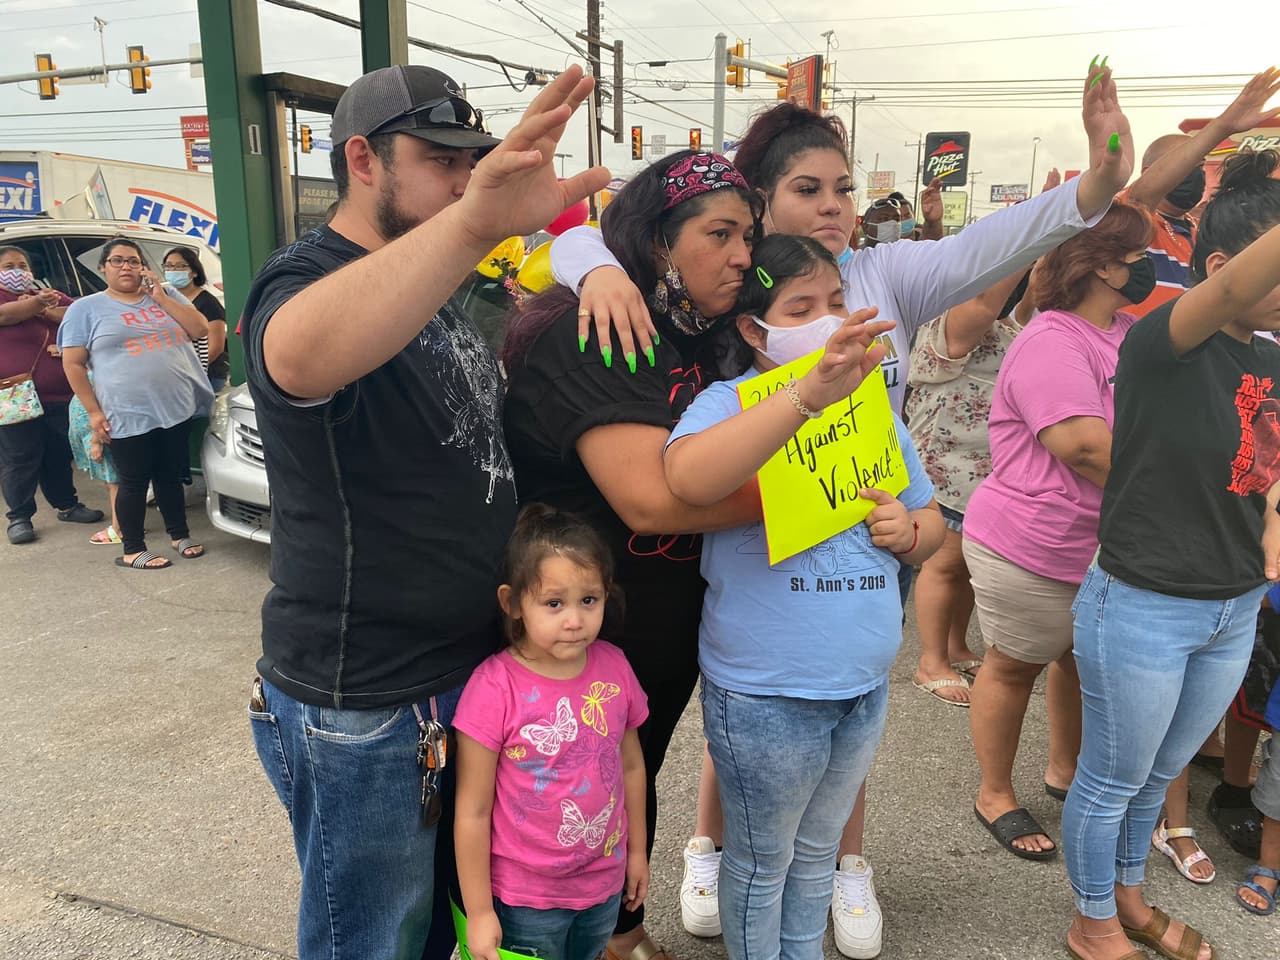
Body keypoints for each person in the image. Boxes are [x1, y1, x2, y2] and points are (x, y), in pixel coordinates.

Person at [549, 59, 1134, 958]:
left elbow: (989, 256)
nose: (831, 206)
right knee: (750, 800)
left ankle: (828, 885)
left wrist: (1094, 188)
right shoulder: (728, 321)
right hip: (742, 621)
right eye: (806, 189)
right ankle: (705, 862)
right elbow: (679, 466)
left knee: (813, 823)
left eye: (844, 189)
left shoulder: (880, 286)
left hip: (859, 629)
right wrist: (591, 263)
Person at [239, 63, 606, 960]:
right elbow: (296, 354)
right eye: (442, 159)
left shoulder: (441, 284)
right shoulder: (307, 275)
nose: (462, 179)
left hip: (464, 678)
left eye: (472, 161)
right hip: (369, 697)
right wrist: (476, 220)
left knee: (446, 930)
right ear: (363, 159)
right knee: (374, 938)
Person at [502, 149, 765, 960]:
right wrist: (813, 500)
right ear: (657, 243)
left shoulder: (706, 326)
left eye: (748, 235)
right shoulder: (593, 328)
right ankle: (574, 939)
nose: (742, 255)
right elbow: (650, 498)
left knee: (629, 773)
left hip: (670, 608)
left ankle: (618, 932)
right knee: (566, 795)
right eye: (719, 234)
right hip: (584, 618)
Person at [663, 233, 942, 959]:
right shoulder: (728, 404)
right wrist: (804, 398)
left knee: (817, 854)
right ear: (757, 329)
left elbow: (933, 520)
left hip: (861, 686)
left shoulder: (872, 408)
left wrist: (908, 531)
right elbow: (688, 479)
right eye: (804, 307)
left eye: (838, 302)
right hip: (765, 692)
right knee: (760, 865)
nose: (831, 320)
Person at [1062, 149, 1280, 960]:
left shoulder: (1271, 351)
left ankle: (1127, 898)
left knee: (1156, 778)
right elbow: (1220, 292)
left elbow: (1267, 467)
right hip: (1144, 603)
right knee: (1113, 778)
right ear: (1223, 266)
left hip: (1230, 607)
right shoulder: (1167, 339)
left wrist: (1272, 530)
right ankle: (1092, 922)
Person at [964, 202, 1155, 862]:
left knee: (1078, 660)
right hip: (1032, 543)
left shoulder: (1126, 330)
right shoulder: (1052, 339)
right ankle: (994, 793)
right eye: (1137, 254)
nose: (1147, 265)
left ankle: (1065, 770)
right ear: (1101, 264)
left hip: (1100, 544)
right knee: (1013, 665)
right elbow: (1083, 447)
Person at [454, 505, 649, 960]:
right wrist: (480, 911)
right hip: (524, 900)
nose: (575, 620)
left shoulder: (615, 668)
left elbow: (633, 766)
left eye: (589, 600)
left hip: (602, 886)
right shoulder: (493, 687)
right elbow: (473, 810)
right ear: (513, 603)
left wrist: (637, 852)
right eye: (554, 602)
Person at [904, 268, 1030, 705]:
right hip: (944, 467)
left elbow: (1033, 299)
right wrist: (1033, 236)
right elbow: (981, 302)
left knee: (968, 568)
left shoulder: (1007, 326)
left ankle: (956, 645)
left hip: (983, 470)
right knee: (945, 564)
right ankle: (931, 661)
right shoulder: (949, 325)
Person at [57, 237, 211, 569]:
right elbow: (72, 364)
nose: (126, 266)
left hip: (174, 407)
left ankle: (179, 535)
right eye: (117, 261)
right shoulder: (86, 309)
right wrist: (94, 412)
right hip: (125, 410)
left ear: (143, 267)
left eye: (133, 260)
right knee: (134, 480)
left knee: (170, 475)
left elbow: (200, 329)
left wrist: (160, 298)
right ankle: (132, 548)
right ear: (103, 268)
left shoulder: (166, 294)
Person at [1122, 67, 1280, 317]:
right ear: (1149, 171)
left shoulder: (1208, 231)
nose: (1197, 174)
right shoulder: (1131, 222)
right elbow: (1138, 197)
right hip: (1143, 351)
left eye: (1201, 166)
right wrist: (1223, 126)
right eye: (1188, 165)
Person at [0, 245, 101, 544]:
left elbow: (77, 316)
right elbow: (6, 316)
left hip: (59, 395)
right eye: (8, 266)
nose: (17, 271)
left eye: (22, 265)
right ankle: (19, 517)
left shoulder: (48, 296)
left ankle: (67, 505)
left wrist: (41, 305)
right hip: (15, 396)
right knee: (20, 457)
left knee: (58, 454)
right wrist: (37, 307)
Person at [162, 247, 229, 391]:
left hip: (206, 376)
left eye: (180, 266)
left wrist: (193, 370)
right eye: (168, 266)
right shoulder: (165, 299)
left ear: (194, 271)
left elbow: (216, 346)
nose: (173, 270)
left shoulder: (208, 303)